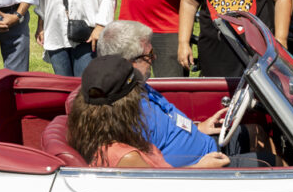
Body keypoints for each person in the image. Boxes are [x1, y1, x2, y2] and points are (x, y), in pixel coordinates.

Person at [95, 20, 274, 168]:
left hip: (204, 146)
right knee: (272, 163)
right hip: (197, 172)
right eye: (149, 55)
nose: (154, 59)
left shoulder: (138, 85)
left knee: (256, 131)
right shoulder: (123, 112)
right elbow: (151, 177)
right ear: (128, 63)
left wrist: (198, 127)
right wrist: (198, 168)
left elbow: (168, 123)